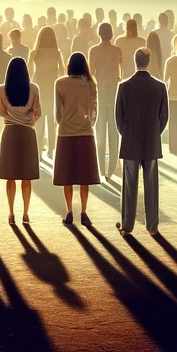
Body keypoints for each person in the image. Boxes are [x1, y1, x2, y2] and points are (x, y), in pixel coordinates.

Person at [114, 47, 169, 236]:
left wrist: (127, 133)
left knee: (129, 185)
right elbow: (164, 117)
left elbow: (118, 117)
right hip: (151, 140)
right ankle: (152, 226)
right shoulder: (160, 86)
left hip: (130, 141)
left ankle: (127, 225)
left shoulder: (124, 86)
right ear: (149, 61)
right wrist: (155, 131)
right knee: (151, 186)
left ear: (134, 61)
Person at [52, 52, 100, 227]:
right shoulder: (90, 84)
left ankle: (69, 211)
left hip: (66, 133)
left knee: (68, 175)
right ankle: (84, 212)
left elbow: (58, 112)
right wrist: (89, 124)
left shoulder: (60, 83)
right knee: (84, 175)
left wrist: (64, 123)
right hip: (86, 133)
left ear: (69, 65)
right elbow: (94, 109)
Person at [0, 55, 41, 224]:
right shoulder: (34, 88)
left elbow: (1, 112)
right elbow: (38, 112)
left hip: (10, 133)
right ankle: (26, 213)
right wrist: (28, 121)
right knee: (26, 176)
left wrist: (13, 117)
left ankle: (11, 213)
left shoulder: (1, 89)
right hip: (28, 133)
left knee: (11, 176)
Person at [88, 23, 123, 178]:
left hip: (99, 92)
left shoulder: (94, 51)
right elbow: (121, 72)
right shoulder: (117, 51)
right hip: (114, 92)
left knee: (100, 131)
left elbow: (90, 73)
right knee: (114, 132)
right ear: (112, 34)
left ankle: (101, 167)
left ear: (99, 34)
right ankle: (112, 167)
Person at [30, 27, 62, 154]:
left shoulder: (35, 52)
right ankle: (51, 150)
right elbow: (63, 70)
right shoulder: (57, 53)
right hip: (53, 87)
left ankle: (38, 150)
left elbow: (28, 67)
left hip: (39, 88)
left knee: (39, 120)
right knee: (52, 120)